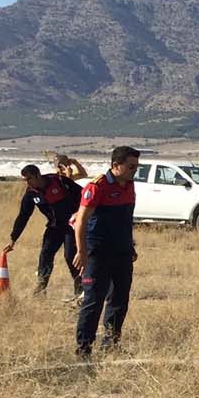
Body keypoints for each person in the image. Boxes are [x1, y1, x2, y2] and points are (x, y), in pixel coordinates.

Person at [70, 146, 141, 358]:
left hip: (122, 251)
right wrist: (82, 251)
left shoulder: (130, 185)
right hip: (98, 252)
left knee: (120, 299)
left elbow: (125, 221)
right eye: (130, 166)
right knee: (94, 300)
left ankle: (111, 344)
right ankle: (83, 348)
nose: (134, 171)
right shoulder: (97, 186)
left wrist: (130, 246)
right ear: (115, 165)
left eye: (136, 167)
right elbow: (81, 220)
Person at [5, 162, 84, 292]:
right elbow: (23, 216)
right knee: (45, 254)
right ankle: (41, 287)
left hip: (72, 226)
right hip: (54, 227)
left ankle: (79, 288)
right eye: (25, 180)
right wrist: (13, 238)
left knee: (70, 256)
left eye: (29, 178)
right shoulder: (31, 193)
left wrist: (81, 215)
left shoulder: (58, 181)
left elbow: (83, 195)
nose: (28, 182)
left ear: (37, 175)